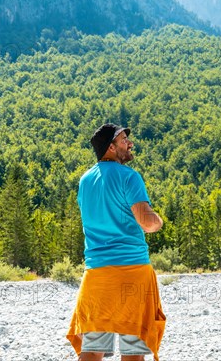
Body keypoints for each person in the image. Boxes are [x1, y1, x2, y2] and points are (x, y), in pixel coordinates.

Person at [67, 123, 166, 361]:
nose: (130, 143)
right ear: (111, 148)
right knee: (134, 348)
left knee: (92, 348)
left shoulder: (85, 180)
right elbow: (147, 223)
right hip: (132, 271)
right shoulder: (129, 177)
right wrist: (159, 221)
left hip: (97, 274)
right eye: (124, 140)